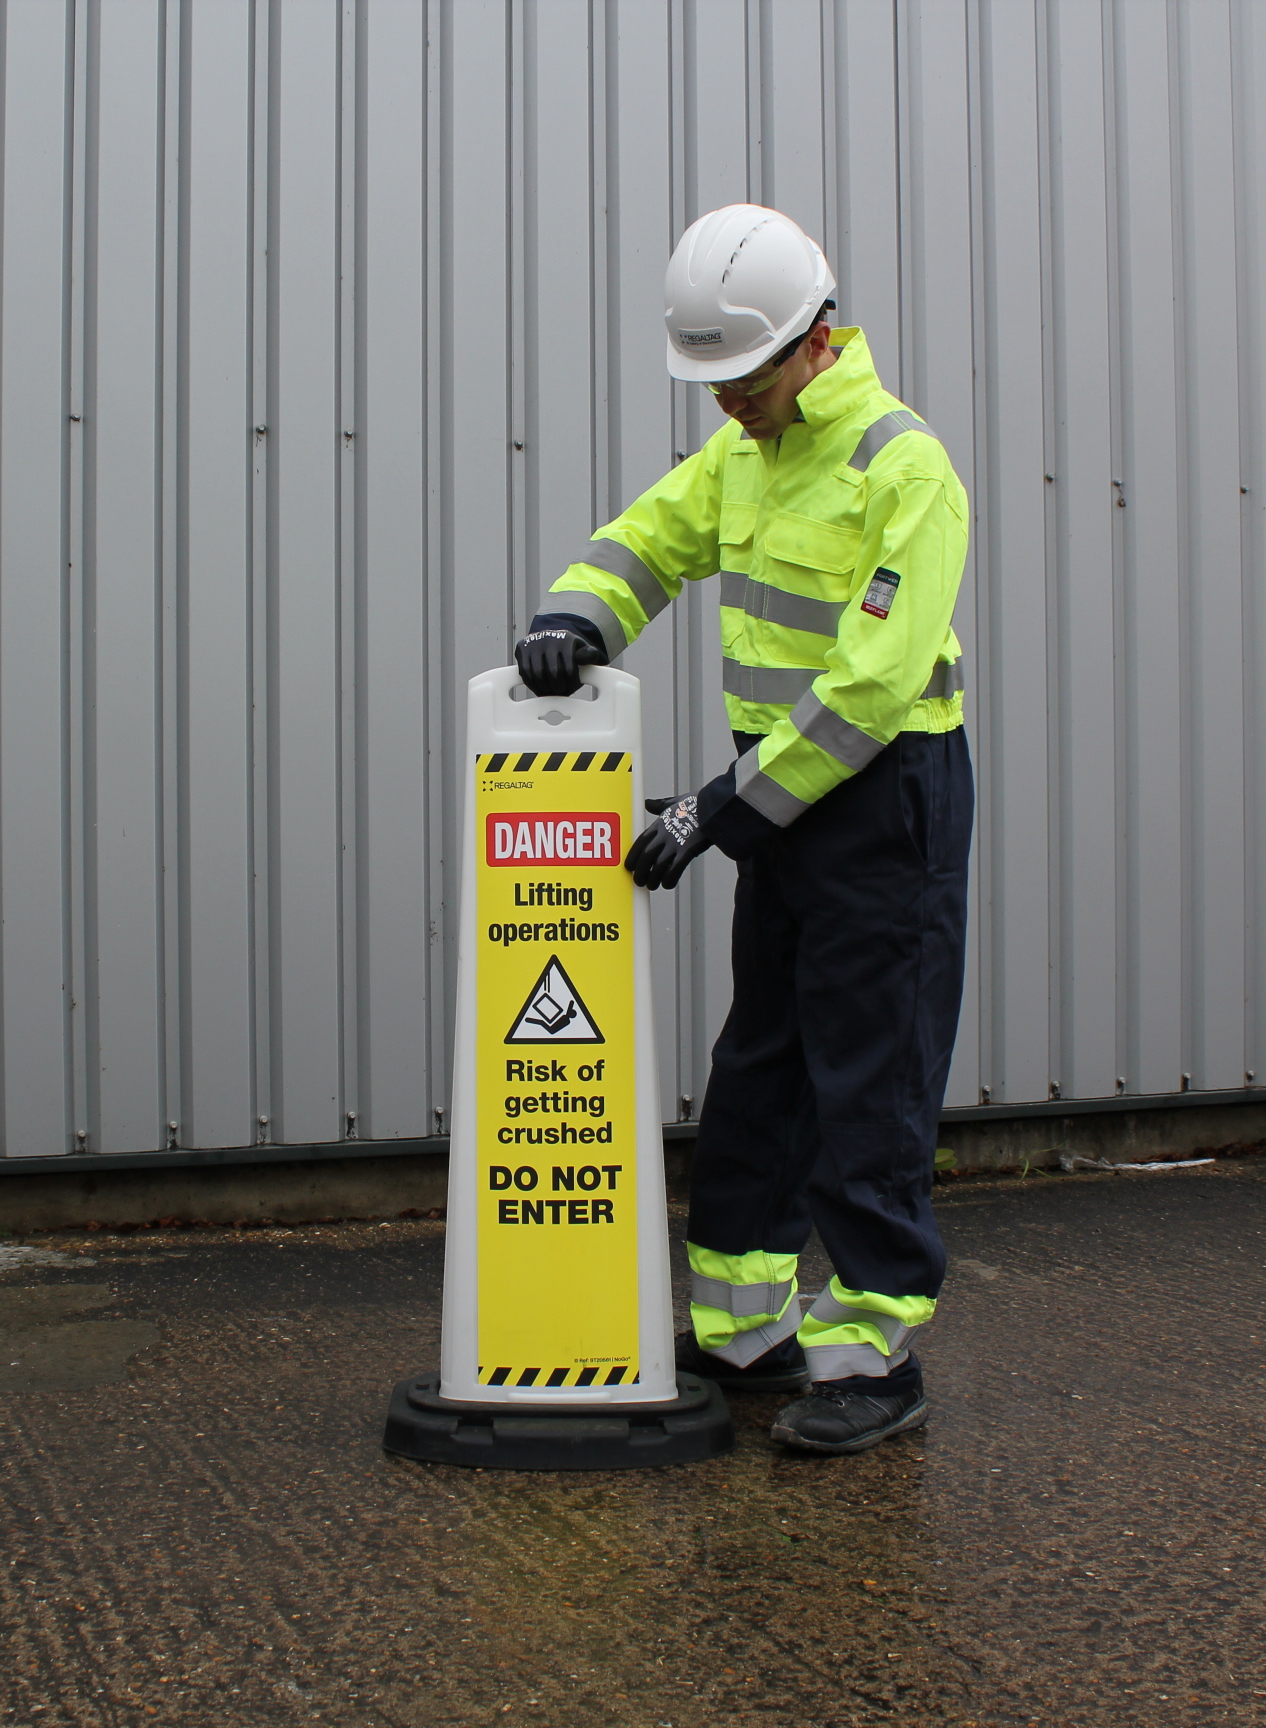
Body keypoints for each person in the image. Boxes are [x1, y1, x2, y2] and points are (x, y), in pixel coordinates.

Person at [511, 204, 973, 1456]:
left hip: (882, 805)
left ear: (814, 340)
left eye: (744, 376)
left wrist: (712, 813)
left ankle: (873, 1355)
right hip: (783, 810)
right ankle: (745, 1330)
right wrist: (578, 620)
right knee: (765, 1060)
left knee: (870, 1077)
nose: (727, 404)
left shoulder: (903, 468)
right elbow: (649, 540)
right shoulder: (749, 458)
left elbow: (873, 690)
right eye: (709, 381)